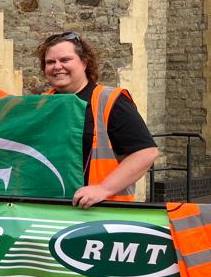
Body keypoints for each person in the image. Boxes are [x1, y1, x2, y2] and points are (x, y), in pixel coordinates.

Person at [37, 32, 158, 208]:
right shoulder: (42, 104)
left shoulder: (109, 100)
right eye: (50, 62)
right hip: (52, 208)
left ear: (84, 63)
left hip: (102, 211)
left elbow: (146, 153)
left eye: (65, 60)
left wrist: (103, 189)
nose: (57, 66)